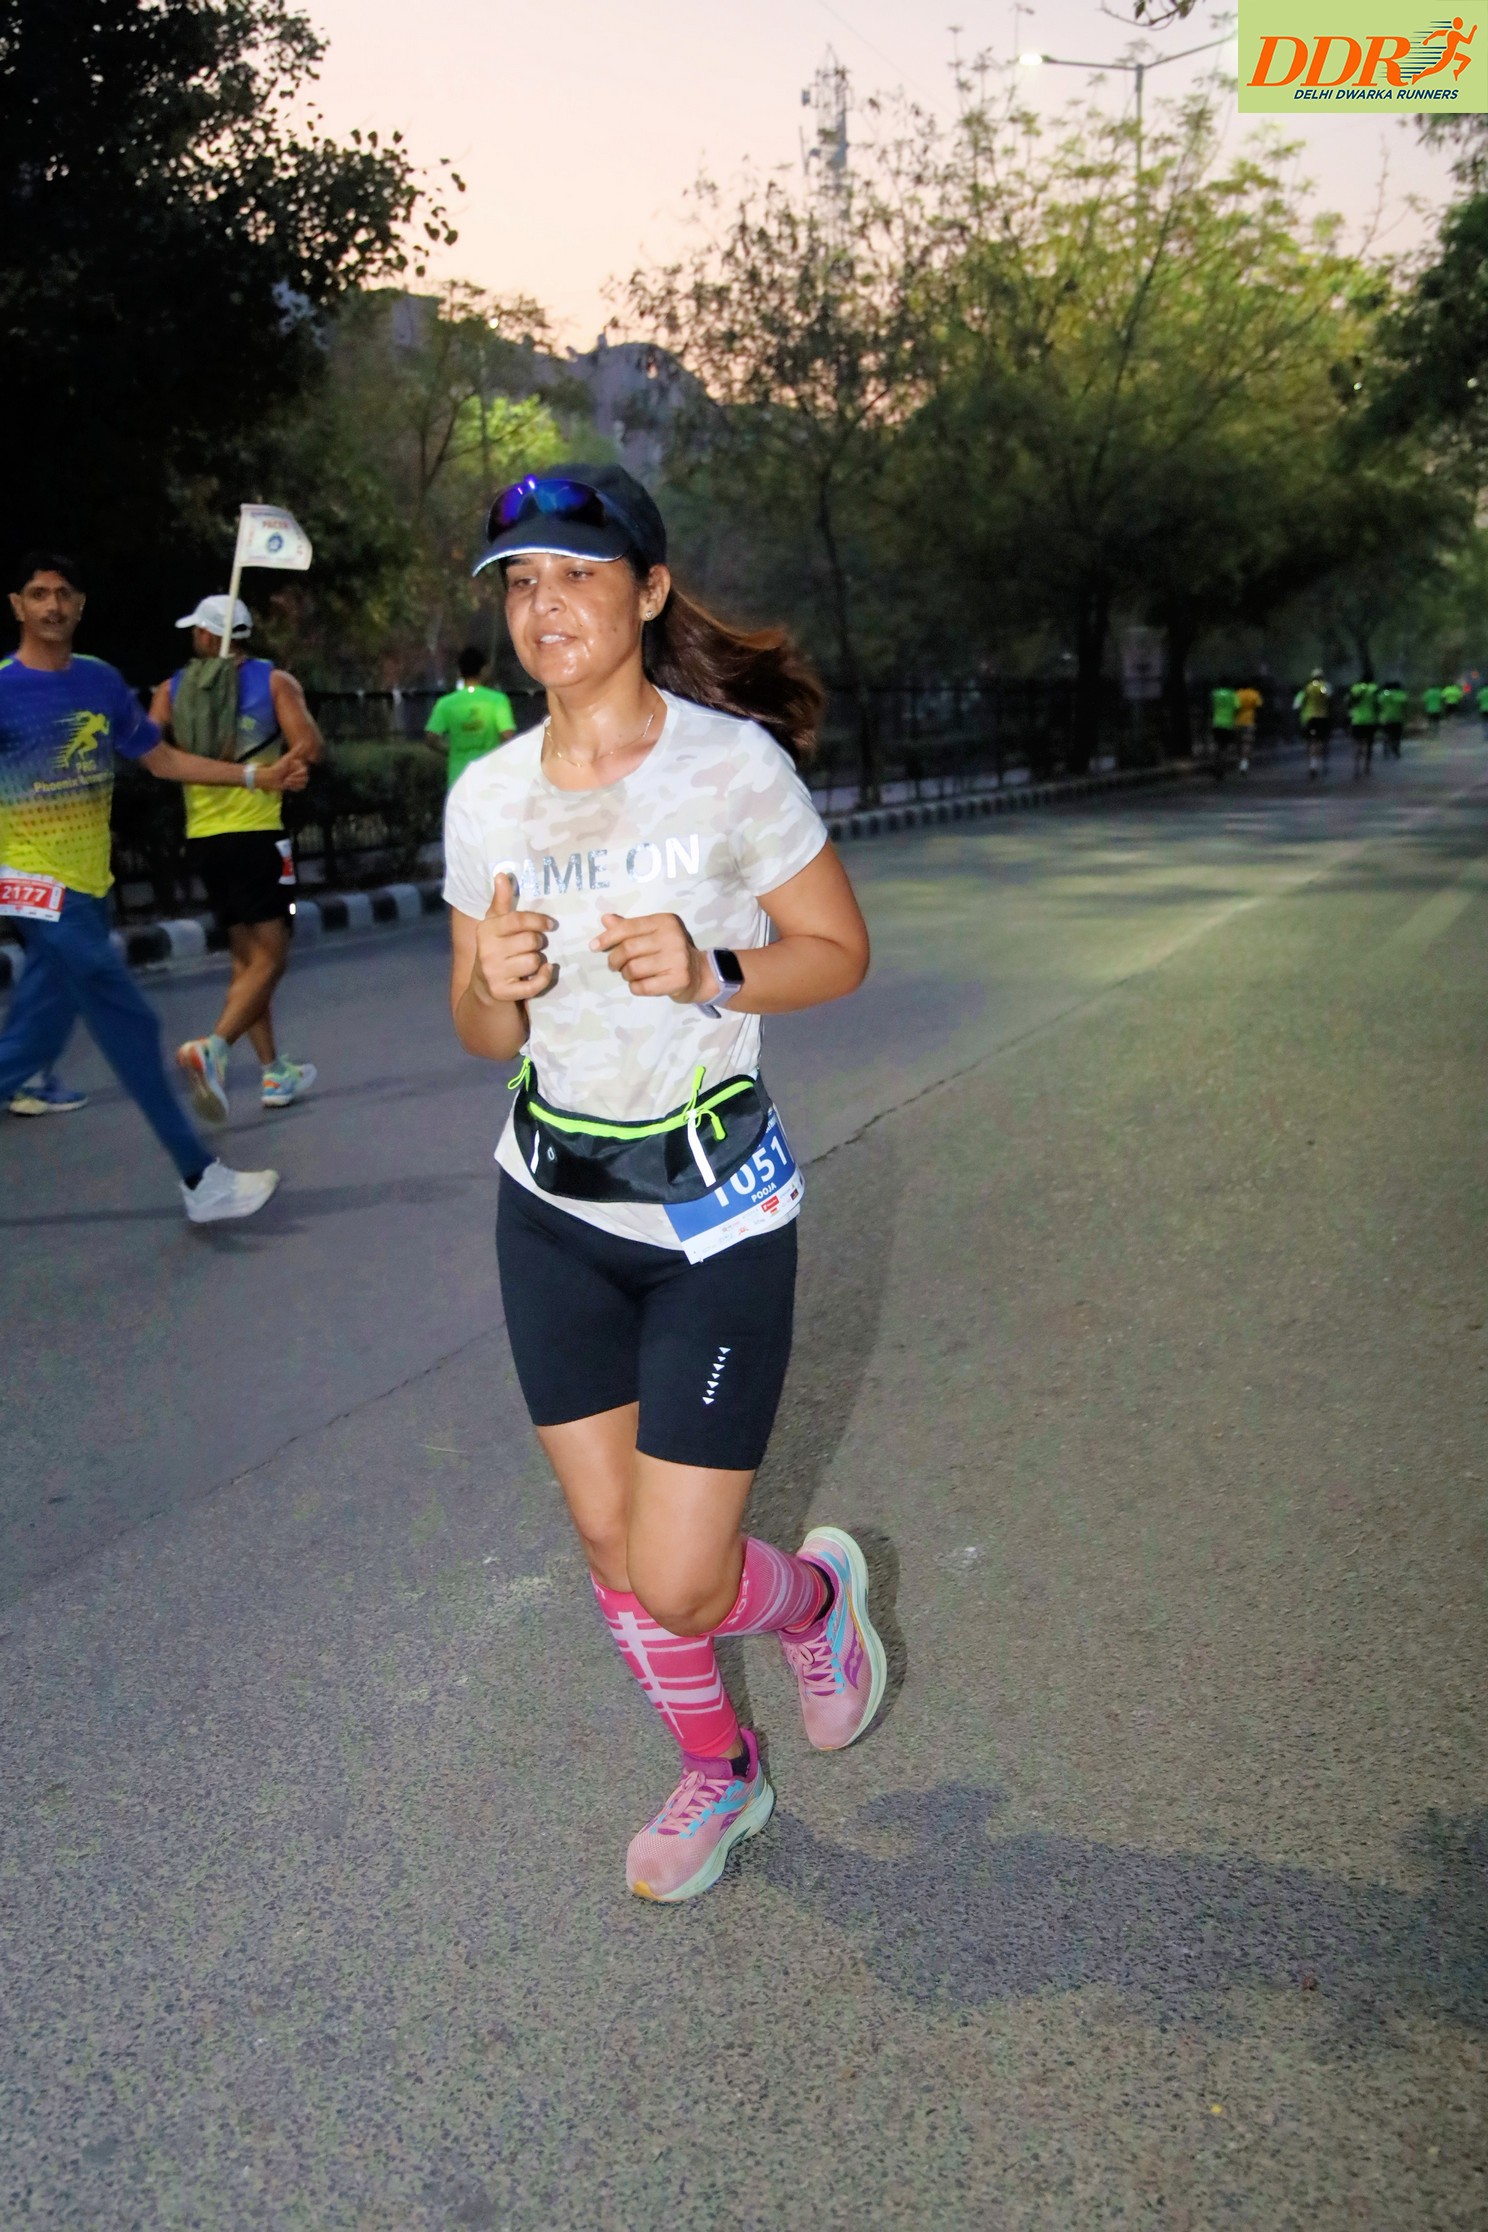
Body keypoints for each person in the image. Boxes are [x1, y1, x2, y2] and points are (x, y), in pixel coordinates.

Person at [444, 464, 882, 1904]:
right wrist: (497, 986)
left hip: (715, 1219)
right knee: (609, 1542)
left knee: (686, 1577)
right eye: (521, 581)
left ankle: (813, 1602)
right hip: (552, 1210)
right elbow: (480, 1029)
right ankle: (722, 1771)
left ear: (646, 591)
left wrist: (712, 969)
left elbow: (837, 951)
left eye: (577, 573)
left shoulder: (732, 769)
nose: (545, 604)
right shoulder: (488, 795)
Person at [0, 551, 298, 1220]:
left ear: (79, 605)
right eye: (38, 594)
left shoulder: (100, 681)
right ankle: (201, 1180)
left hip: (88, 889)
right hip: (33, 888)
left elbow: (159, 757)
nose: (52, 605)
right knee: (130, 1022)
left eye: (63, 593)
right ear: (17, 606)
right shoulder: (2, 688)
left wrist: (255, 776)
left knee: (31, 1045)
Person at [150, 596, 322, 1122]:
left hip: (204, 838)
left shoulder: (171, 689)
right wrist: (283, 770)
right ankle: (215, 1047)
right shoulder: (275, 682)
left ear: (209, 636)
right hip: (259, 836)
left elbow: (151, 749)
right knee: (273, 956)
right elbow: (309, 744)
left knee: (247, 962)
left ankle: (274, 1071)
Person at [423, 646, 516, 788]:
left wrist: (451, 751)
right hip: (490, 775)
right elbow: (507, 735)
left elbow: (431, 738)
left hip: (458, 778)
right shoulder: (498, 700)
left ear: (459, 672)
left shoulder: (446, 703)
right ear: (484, 670)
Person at [1293, 669, 1331, 778]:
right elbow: (1329, 698)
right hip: (1322, 717)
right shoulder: (1325, 686)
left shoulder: (1307, 688)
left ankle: (1312, 764)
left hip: (1309, 718)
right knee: (1320, 740)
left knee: (1310, 741)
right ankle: (1317, 761)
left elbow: (1297, 705)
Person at [1348, 677, 1379, 777]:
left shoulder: (1355, 688)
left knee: (1358, 743)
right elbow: (1377, 704)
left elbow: (1349, 703)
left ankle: (1356, 766)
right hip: (1370, 720)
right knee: (1369, 745)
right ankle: (1367, 766)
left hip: (1357, 720)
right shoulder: (1374, 688)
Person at [1233, 681, 1262, 774]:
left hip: (1238, 722)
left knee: (1239, 743)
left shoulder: (1237, 694)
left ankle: (1240, 760)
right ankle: (1244, 763)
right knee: (1247, 743)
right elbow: (1259, 706)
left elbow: (1235, 707)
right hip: (1250, 722)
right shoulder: (1254, 694)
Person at [1209, 682, 1237, 776]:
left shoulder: (1215, 694)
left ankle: (1216, 764)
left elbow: (1211, 706)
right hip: (1228, 724)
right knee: (1225, 747)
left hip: (1217, 723)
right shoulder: (1232, 694)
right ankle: (1221, 766)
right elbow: (1237, 706)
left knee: (1217, 745)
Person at [1376, 680, 1408, 760]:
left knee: (1386, 734)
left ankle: (1386, 748)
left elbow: (1378, 705)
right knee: (1397, 736)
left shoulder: (1382, 695)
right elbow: (1405, 706)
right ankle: (1396, 749)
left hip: (1385, 718)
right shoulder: (1401, 695)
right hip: (1398, 718)